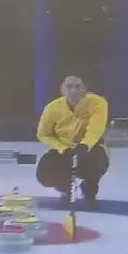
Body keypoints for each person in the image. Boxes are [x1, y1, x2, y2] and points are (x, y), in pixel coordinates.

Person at [36, 76, 110, 209]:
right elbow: (43, 134)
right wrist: (62, 148)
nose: (74, 91)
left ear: (84, 89)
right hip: (63, 149)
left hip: (90, 147)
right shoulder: (52, 108)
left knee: (98, 162)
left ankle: (89, 189)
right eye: (69, 86)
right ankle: (65, 187)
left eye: (78, 86)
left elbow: (96, 129)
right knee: (44, 173)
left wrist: (85, 145)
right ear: (62, 89)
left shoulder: (98, 103)